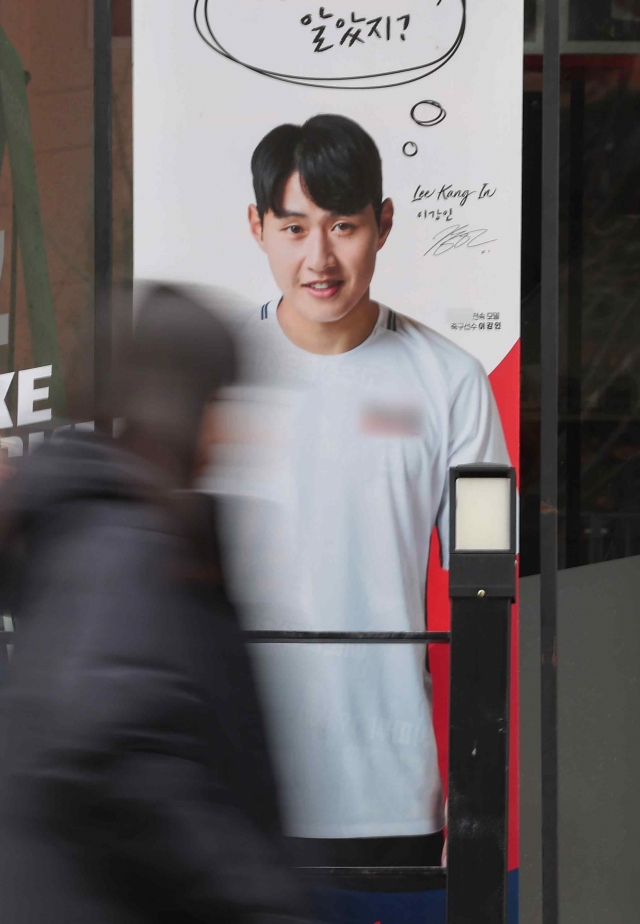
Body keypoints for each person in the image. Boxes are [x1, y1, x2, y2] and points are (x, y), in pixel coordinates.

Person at [210, 114, 510, 880]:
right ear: (257, 227)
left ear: (383, 224)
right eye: (294, 226)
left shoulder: (450, 384)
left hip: (392, 792)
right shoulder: (214, 382)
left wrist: (477, 802)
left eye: (343, 226)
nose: (320, 257)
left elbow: (488, 591)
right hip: (235, 787)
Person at [0, 285, 311, 923]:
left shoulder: (118, 532)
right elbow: (123, 756)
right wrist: (260, 900)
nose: (232, 429)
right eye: (219, 403)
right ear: (178, 406)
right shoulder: (119, 546)